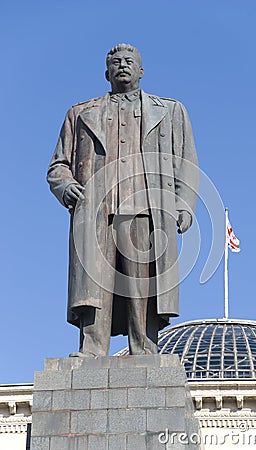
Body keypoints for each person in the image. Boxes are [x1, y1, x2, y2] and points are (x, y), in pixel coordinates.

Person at [47, 43, 199, 356]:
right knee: (95, 282)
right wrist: (65, 186)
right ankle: (92, 347)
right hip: (96, 211)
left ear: (142, 71)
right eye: (116, 62)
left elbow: (186, 163)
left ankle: (143, 347)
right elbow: (58, 165)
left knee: (140, 284)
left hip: (146, 208)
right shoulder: (79, 114)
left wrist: (183, 205)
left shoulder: (170, 111)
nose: (123, 66)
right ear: (106, 72)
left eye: (130, 61)